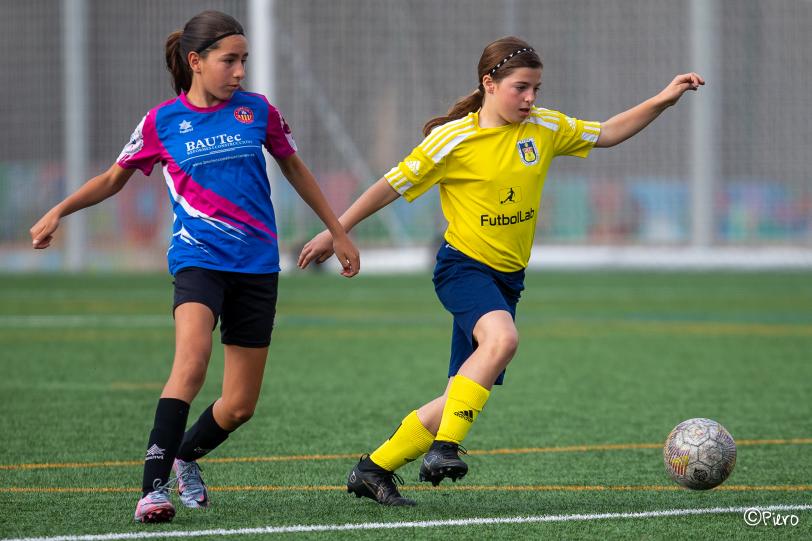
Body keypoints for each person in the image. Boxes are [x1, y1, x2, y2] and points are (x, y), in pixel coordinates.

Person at [298, 36, 703, 506]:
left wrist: (663, 99)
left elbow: (608, 132)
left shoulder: (544, 127)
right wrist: (336, 231)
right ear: (489, 83)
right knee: (503, 340)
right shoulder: (453, 139)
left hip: (508, 280)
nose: (530, 98)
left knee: (457, 396)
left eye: (536, 88)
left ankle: (372, 470)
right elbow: (389, 185)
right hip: (462, 268)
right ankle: (444, 449)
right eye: (520, 88)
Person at [29, 10, 359, 523]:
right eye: (229, 60)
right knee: (191, 362)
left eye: (244, 60)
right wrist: (59, 210)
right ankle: (152, 491)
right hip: (197, 260)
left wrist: (337, 231)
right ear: (195, 61)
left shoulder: (258, 111)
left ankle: (184, 456)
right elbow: (113, 179)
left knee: (240, 405)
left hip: (256, 266)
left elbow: (294, 167)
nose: (240, 71)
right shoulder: (161, 122)